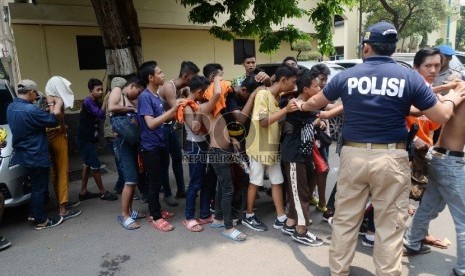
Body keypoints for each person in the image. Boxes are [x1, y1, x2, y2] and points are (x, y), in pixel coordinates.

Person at [297, 21, 465, 276]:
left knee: (345, 221)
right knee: (389, 224)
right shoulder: (409, 77)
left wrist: (302, 106)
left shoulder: (346, 76)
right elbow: (441, 116)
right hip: (391, 158)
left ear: (366, 48)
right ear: (393, 48)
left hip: (353, 156)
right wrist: (453, 97)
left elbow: (314, 104)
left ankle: (338, 271)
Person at [403, 61, 465, 276]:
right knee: (463, 218)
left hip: (439, 158)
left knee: (428, 207)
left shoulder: (455, 96)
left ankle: (411, 242)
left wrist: (449, 88)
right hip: (451, 162)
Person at [242, 65, 299, 232]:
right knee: (256, 181)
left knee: (277, 181)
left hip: (272, 147)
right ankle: (249, 215)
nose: (294, 86)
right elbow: (263, 122)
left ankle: (281, 216)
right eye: (293, 82)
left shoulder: (276, 96)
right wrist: (285, 110)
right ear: (283, 81)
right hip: (259, 147)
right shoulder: (262, 95)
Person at [7, 79, 65, 230]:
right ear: (31, 92)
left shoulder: (11, 107)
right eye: (35, 94)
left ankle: (34, 213)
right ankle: (41, 220)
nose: (36, 96)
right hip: (36, 153)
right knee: (40, 187)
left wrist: (41, 112)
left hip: (23, 153)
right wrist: (55, 103)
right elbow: (53, 121)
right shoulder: (31, 110)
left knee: (34, 186)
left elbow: (32, 120)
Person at [199, 63, 246, 241]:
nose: (224, 80)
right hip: (217, 152)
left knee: (222, 186)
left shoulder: (217, 108)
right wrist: (217, 78)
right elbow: (217, 92)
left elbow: (222, 127)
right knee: (228, 189)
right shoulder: (204, 107)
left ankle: (218, 218)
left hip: (222, 150)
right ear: (212, 79)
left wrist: (232, 139)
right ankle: (228, 227)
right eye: (221, 77)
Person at [138, 61, 183, 232]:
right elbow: (150, 124)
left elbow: (163, 118)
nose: (163, 75)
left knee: (158, 180)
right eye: (160, 72)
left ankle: (156, 209)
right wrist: (171, 112)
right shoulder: (145, 97)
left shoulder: (156, 96)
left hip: (160, 143)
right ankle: (155, 217)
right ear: (151, 77)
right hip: (150, 147)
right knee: (155, 183)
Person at [280, 68, 324, 246]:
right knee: (301, 194)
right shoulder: (297, 105)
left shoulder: (309, 103)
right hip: (294, 156)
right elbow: (326, 111)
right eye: (316, 86)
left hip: (304, 155)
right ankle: (301, 231)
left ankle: (290, 223)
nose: (320, 90)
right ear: (306, 89)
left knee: (298, 192)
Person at [177, 75, 217, 232]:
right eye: (205, 92)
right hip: (194, 147)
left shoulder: (197, 103)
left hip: (203, 145)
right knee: (195, 183)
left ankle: (205, 214)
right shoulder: (187, 105)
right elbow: (194, 127)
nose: (207, 95)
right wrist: (201, 111)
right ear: (200, 91)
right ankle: (189, 217)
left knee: (207, 181)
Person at [158, 61, 200, 204]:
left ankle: (181, 190)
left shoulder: (184, 88)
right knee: (164, 161)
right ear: (186, 76)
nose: (195, 80)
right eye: (194, 78)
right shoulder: (169, 87)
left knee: (177, 158)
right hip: (161, 128)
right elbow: (178, 111)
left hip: (170, 127)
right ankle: (167, 194)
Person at [109, 77, 145, 230]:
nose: (137, 95)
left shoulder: (131, 99)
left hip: (131, 143)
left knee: (133, 178)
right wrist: (131, 109)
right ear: (131, 86)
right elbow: (112, 107)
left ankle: (130, 211)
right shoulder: (118, 90)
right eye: (137, 91)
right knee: (130, 179)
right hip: (123, 143)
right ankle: (124, 215)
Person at [44, 76, 81, 220]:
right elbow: (57, 112)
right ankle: (63, 208)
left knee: (54, 171)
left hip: (46, 135)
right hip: (57, 134)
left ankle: (61, 201)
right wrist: (62, 125)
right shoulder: (54, 98)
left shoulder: (44, 97)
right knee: (62, 170)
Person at [76, 78, 117, 202]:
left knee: (87, 164)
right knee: (95, 165)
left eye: (101, 89)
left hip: (88, 138)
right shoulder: (88, 101)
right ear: (90, 91)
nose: (100, 92)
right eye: (97, 90)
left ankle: (83, 192)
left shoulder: (96, 101)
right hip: (84, 138)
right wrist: (105, 101)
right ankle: (103, 192)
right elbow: (100, 115)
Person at [104, 77, 126, 195]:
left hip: (110, 134)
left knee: (120, 161)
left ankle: (120, 185)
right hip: (113, 134)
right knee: (121, 161)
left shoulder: (109, 95)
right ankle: (121, 186)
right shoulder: (116, 96)